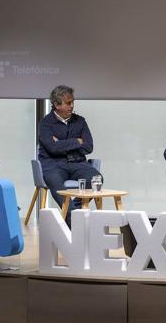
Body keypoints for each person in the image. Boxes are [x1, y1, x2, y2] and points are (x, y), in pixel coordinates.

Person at [38, 85, 101, 225]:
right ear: (56, 105)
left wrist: (61, 143)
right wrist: (76, 141)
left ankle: (74, 211)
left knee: (97, 179)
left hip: (77, 163)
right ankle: (73, 220)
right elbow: (52, 148)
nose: (72, 106)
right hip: (54, 165)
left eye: (72, 102)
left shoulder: (80, 121)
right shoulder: (45, 124)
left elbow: (88, 146)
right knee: (55, 181)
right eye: (68, 103)